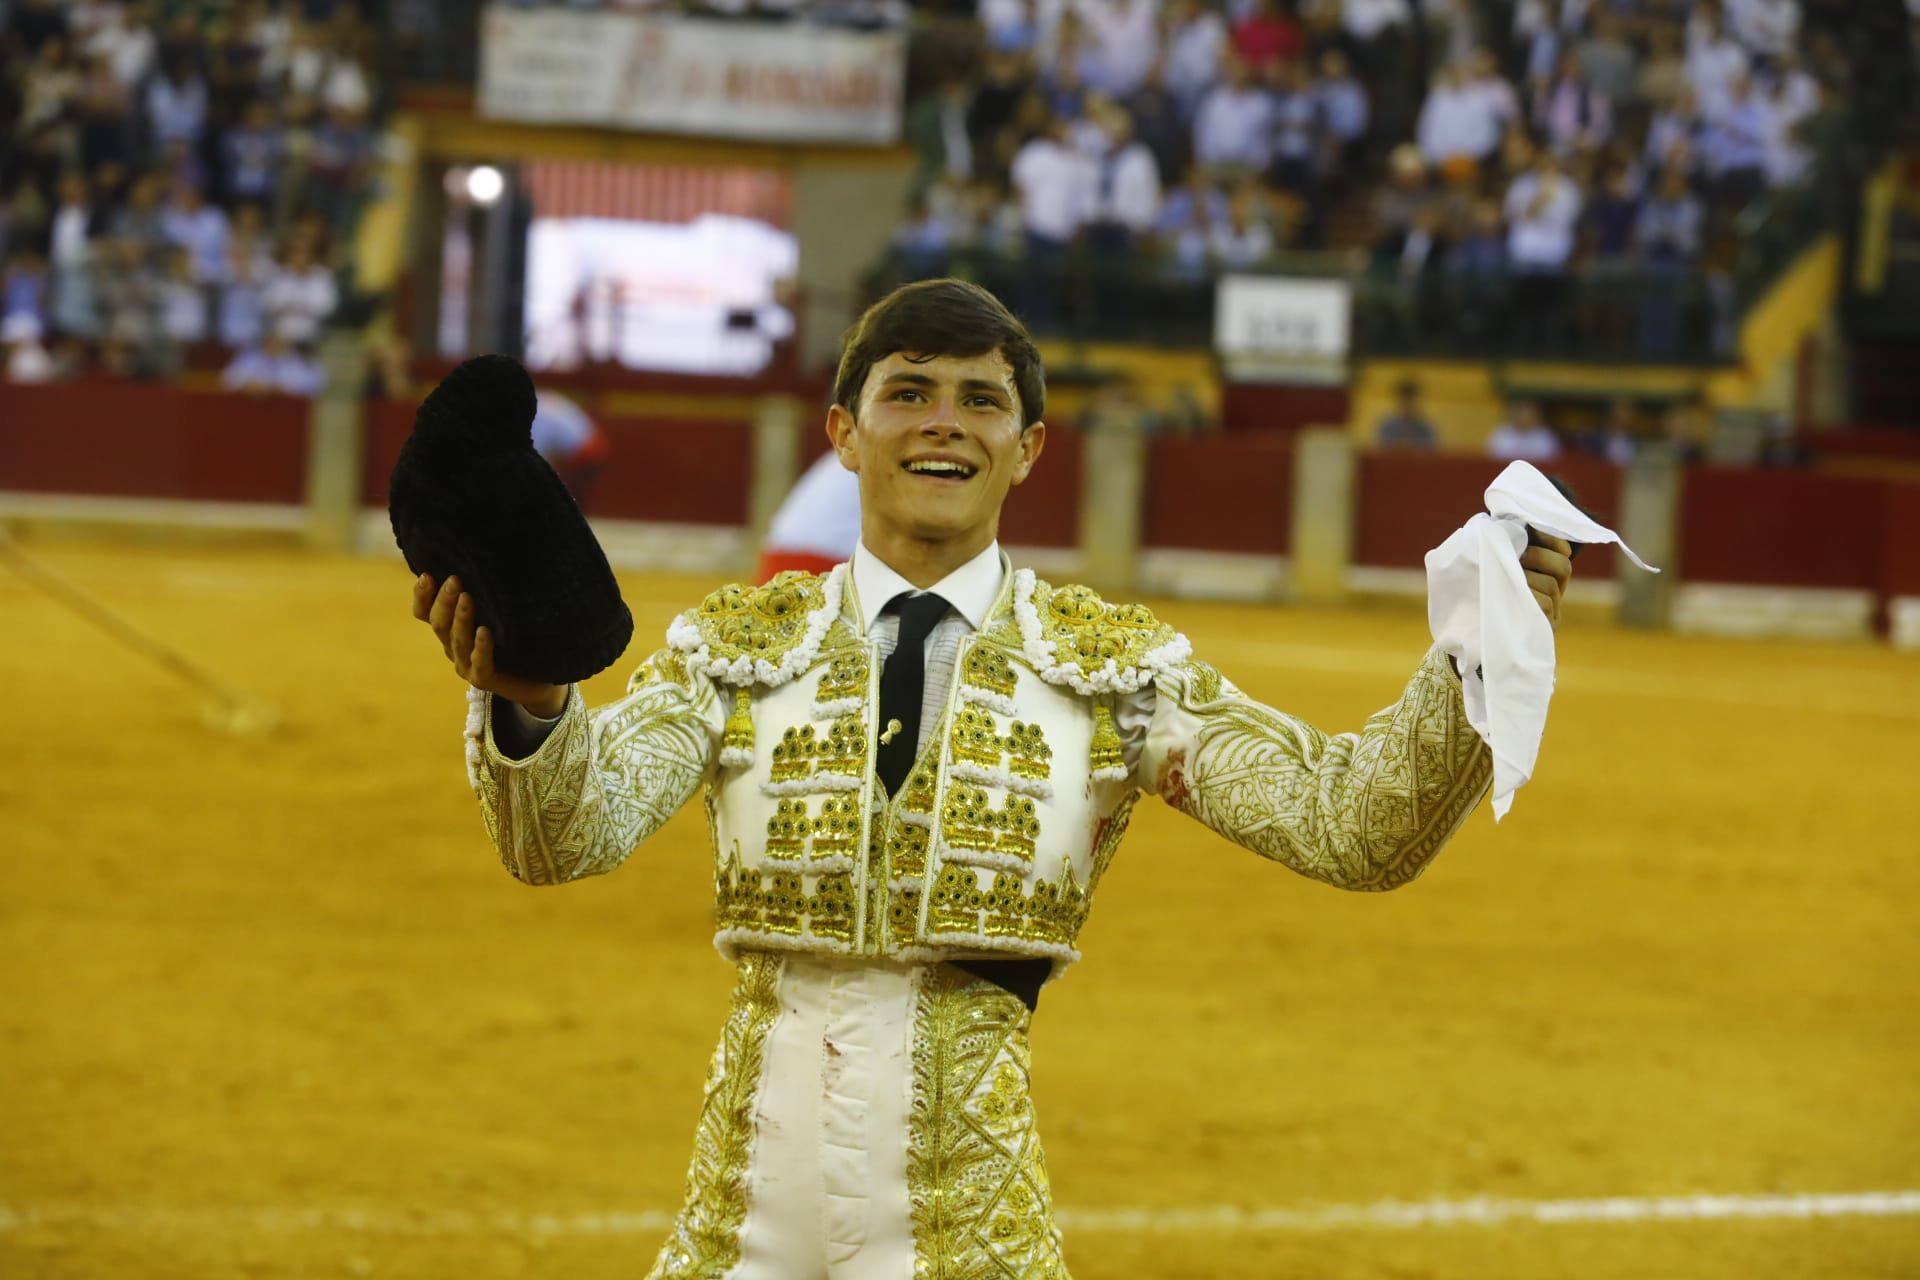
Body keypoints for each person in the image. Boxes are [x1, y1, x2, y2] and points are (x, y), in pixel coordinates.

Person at [411, 278, 1574, 1278]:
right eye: (907, 391)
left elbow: (1352, 825)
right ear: (844, 431)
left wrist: (1479, 651)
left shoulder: (1111, 672)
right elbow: (566, 835)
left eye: (982, 400)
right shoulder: (738, 646)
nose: (943, 425)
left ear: (1028, 448)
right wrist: (536, 697)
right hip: (738, 1225)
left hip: (968, 1231)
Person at [1487, 397, 1563, 460]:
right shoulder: (1501, 434)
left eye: (1528, 411)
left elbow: (1554, 461)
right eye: (1520, 411)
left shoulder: (1545, 437)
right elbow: (1491, 460)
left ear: (1535, 414)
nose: (1523, 416)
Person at [1376, 377, 1438, 450]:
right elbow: (1381, 449)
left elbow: (1432, 451)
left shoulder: (1425, 427)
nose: (1408, 405)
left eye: (1411, 401)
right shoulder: (1388, 426)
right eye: (1404, 401)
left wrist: (1413, 447)